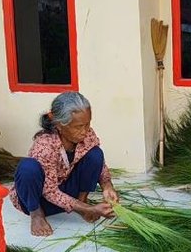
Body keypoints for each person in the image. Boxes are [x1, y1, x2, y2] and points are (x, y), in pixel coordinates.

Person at [9, 92, 119, 236]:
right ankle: (36, 215)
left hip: (68, 196)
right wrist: (89, 209)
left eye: (88, 124)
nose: (85, 131)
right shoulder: (45, 146)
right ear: (60, 125)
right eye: (78, 127)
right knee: (27, 168)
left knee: (95, 153)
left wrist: (107, 185)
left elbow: (100, 164)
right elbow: (50, 192)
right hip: (42, 200)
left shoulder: (87, 135)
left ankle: (82, 202)